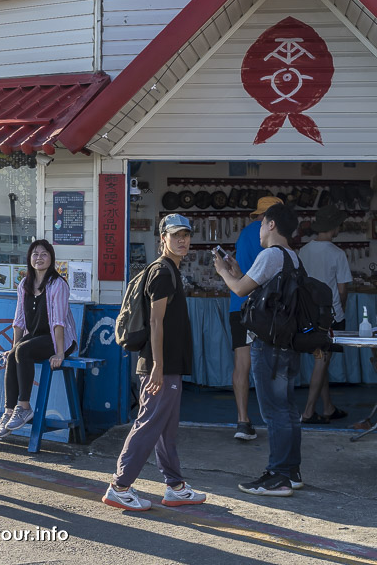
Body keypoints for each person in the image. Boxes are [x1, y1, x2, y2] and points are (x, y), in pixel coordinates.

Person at [102, 214, 207, 511]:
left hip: (167, 364)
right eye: (176, 235)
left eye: (186, 234)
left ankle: (175, 487)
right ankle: (120, 486)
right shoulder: (162, 272)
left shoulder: (170, 269)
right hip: (160, 366)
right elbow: (155, 321)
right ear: (163, 238)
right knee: (148, 425)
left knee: (166, 430)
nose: (182, 240)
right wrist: (158, 367)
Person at [215, 202, 303, 498]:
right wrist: (238, 271)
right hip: (288, 343)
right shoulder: (293, 256)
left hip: (268, 344)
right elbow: (258, 288)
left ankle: (277, 476)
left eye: (262, 224)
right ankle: (291, 471)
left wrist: (222, 272)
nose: (260, 230)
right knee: (288, 409)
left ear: (272, 225)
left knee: (274, 410)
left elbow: (239, 290)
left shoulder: (270, 254)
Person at [0, 239, 79, 439]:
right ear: (29, 259)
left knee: (23, 351)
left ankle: (24, 407)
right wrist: (13, 346)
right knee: (16, 352)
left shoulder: (58, 284)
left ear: (51, 259)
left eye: (44, 254)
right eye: (35, 254)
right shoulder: (24, 284)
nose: (39, 258)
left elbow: (59, 322)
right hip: (35, 338)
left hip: (59, 339)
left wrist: (59, 353)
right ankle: (8, 412)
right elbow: (19, 320)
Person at [229, 196, 282, 441]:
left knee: (242, 365)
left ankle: (242, 421)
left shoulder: (244, 234)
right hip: (264, 307)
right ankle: (275, 419)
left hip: (238, 305)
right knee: (271, 363)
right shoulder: (274, 237)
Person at [298, 205, 351, 424]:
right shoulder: (337, 254)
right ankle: (309, 412)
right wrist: (342, 312)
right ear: (334, 227)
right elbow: (342, 290)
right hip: (330, 316)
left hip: (309, 314)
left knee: (321, 360)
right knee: (322, 361)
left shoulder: (304, 251)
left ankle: (327, 407)